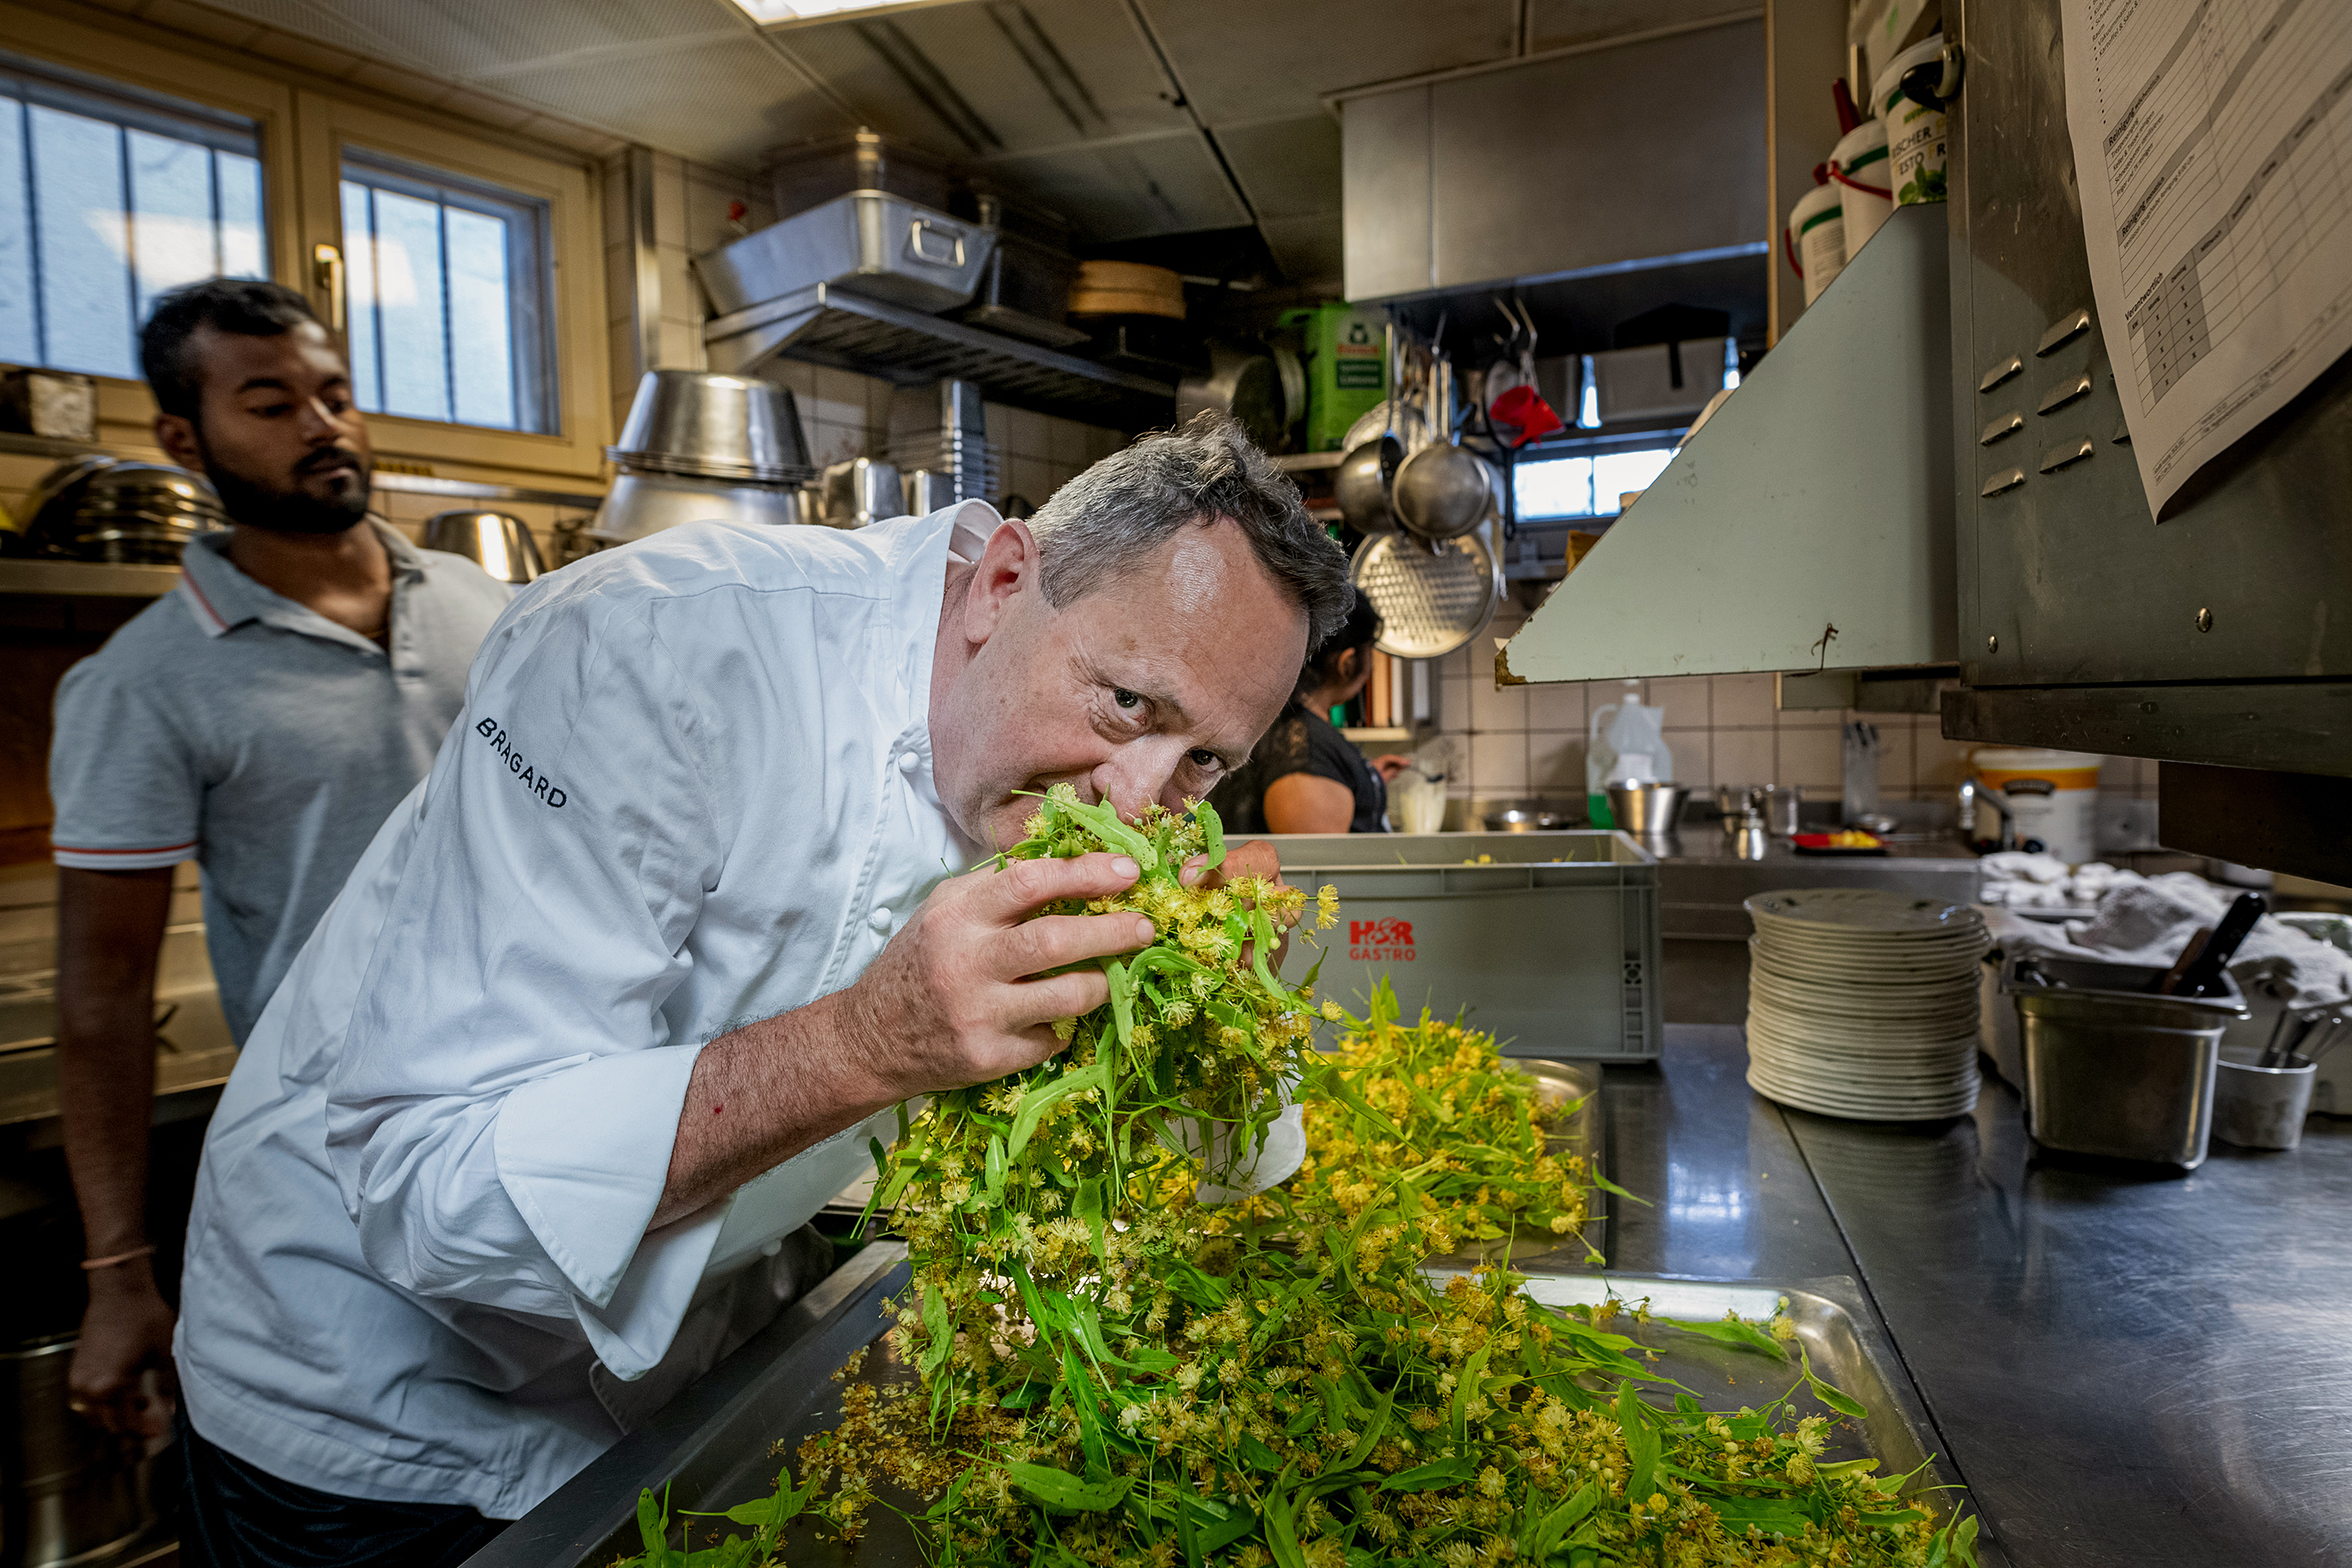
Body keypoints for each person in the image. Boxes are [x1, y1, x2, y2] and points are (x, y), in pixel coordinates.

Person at [168, 412, 1352, 1566]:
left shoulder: (1063, 770)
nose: (1138, 796)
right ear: (1000, 585)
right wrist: (865, 1045)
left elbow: (1215, 1173)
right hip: (373, 1412)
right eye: (1127, 704)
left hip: (676, 1383)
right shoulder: (651, 647)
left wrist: (1221, 1021)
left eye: (1203, 759)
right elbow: (428, 1191)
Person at [46, 279, 511, 1445]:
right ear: (180, 438)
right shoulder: (141, 685)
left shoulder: (487, 607)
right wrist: (116, 1271)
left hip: (536, 1122)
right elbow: (101, 1001)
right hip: (331, 1178)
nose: (323, 425)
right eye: (270, 403)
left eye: (335, 393)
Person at [1209, 595, 1411, 833]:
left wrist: (1364, 780)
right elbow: (1317, 863)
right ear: (1347, 662)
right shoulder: (1305, 752)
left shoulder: (1285, 728)